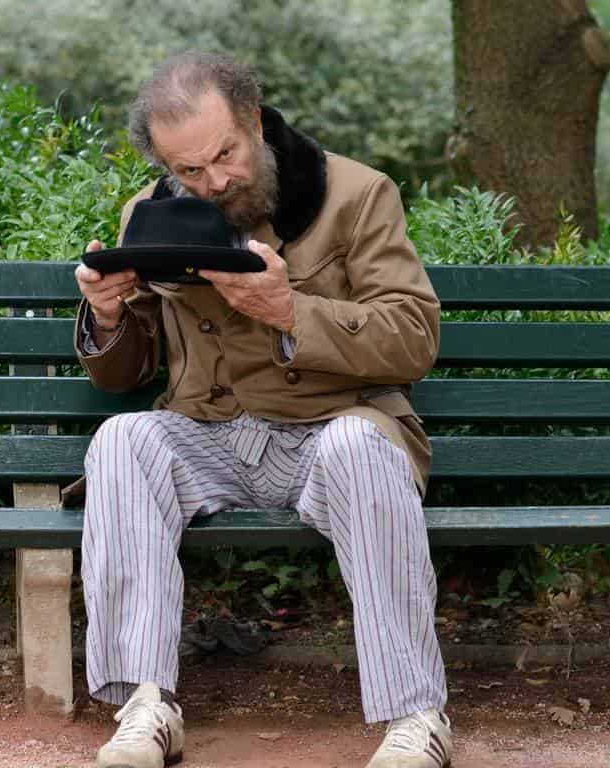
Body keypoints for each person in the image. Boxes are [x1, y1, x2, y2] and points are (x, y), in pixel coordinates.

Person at [72, 50, 450, 768]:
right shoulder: (149, 214)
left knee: (363, 450)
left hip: (329, 434)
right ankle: (146, 706)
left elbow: (413, 338)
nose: (214, 182)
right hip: (211, 437)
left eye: (226, 154)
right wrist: (109, 315)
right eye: (189, 170)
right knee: (122, 439)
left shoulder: (357, 194)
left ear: (253, 120)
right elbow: (128, 375)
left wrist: (291, 311)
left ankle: (416, 717)